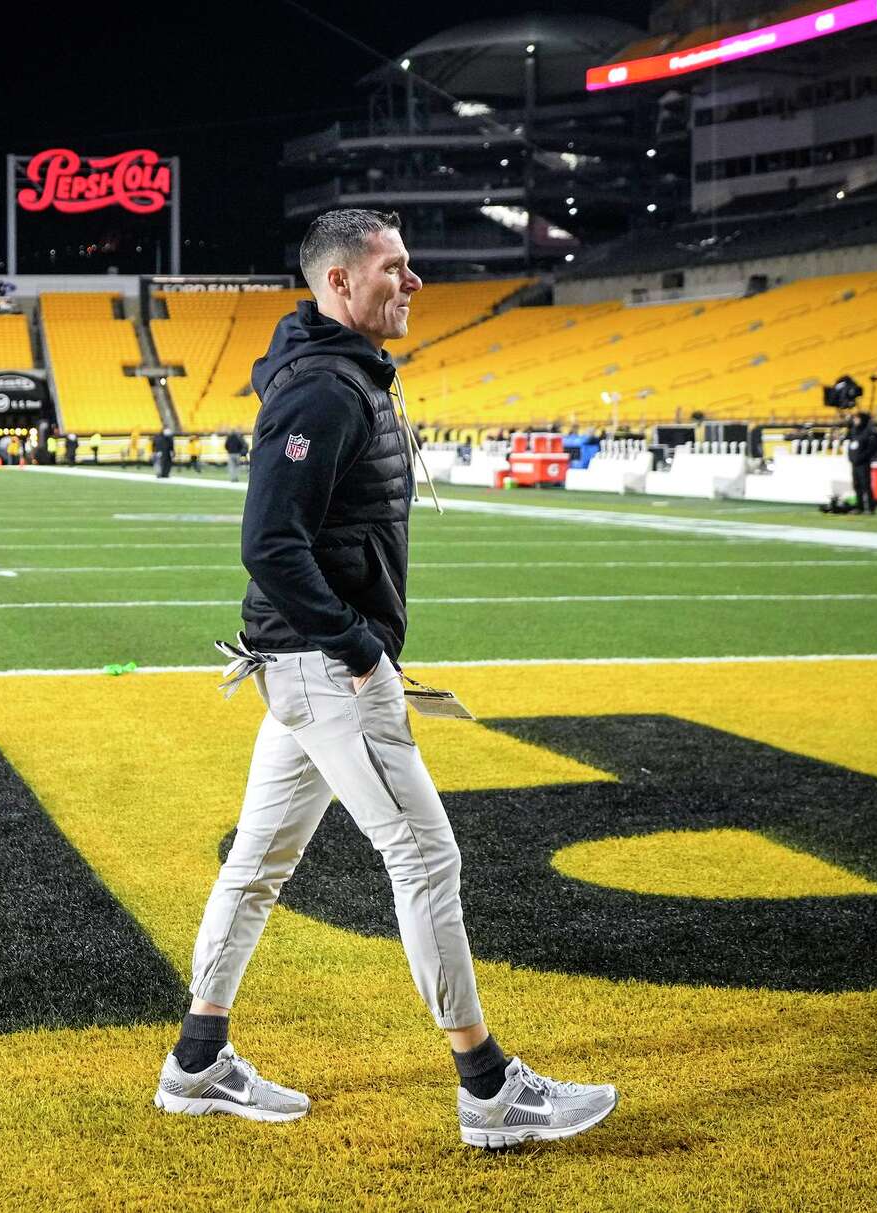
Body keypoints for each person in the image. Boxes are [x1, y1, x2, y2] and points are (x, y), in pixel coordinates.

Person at [157, 208, 617, 1148]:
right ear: (338, 284)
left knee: (257, 865)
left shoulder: (340, 373)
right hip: (325, 668)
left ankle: (197, 1060)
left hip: (297, 665)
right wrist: (359, 648)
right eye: (395, 268)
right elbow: (268, 544)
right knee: (425, 856)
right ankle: (489, 1090)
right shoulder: (324, 389)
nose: (412, 283)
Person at [846, 411, 877, 514]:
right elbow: (851, 445)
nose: (855, 421)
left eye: (857, 419)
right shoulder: (854, 431)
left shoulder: (868, 432)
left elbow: (871, 449)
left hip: (863, 463)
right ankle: (859, 507)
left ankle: (871, 508)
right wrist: (851, 458)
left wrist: (861, 458)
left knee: (866, 485)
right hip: (854, 463)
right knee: (856, 485)